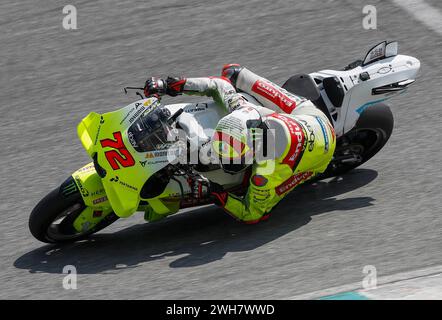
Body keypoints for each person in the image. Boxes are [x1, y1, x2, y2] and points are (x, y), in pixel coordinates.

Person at [143, 65, 336, 224]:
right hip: (299, 117)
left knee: (258, 193)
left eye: (233, 160)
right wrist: (175, 85)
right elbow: (219, 85)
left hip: (319, 143)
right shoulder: (244, 112)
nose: (226, 163)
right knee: (232, 72)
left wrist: (217, 193)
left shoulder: (265, 172)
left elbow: (252, 214)